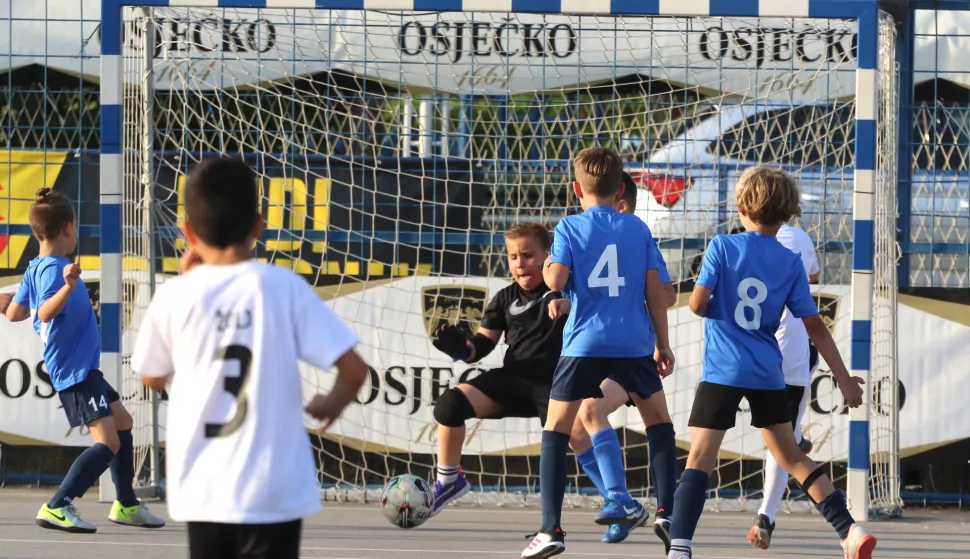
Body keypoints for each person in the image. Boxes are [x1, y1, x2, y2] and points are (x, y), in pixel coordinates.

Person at [130, 157, 369, 559]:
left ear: (187, 232)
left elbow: (151, 377)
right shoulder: (283, 287)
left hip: (204, 486)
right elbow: (354, 370)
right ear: (258, 226)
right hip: (272, 487)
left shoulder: (176, 295)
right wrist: (331, 402)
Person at [670, 166, 876, 559]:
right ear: (788, 213)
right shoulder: (789, 261)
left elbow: (697, 303)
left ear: (741, 205)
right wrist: (845, 378)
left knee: (700, 458)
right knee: (790, 455)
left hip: (723, 370)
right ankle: (849, 530)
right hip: (767, 371)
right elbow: (815, 326)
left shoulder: (722, 247)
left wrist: (722, 309)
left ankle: (679, 548)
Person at [523, 147, 675, 559]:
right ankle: (666, 512)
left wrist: (556, 279)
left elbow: (554, 278)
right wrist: (662, 343)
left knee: (556, 431)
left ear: (577, 189)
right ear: (620, 188)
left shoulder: (570, 226)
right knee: (659, 423)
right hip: (633, 343)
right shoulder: (637, 229)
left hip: (586, 343)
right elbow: (655, 293)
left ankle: (550, 529)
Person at [0, 188, 164, 533]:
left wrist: (7, 300)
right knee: (108, 442)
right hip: (74, 374)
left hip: (85, 370)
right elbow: (44, 312)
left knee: (123, 423)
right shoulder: (54, 272)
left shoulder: (36, 267)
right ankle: (58, 505)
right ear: (68, 229)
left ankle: (126, 505)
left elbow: (16, 313)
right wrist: (68, 287)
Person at [428, 222, 578, 517]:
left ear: (548, 256)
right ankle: (449, 481)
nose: (520, 263)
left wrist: (568, 304)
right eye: (512, 257)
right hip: (514, 382)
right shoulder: (504, 299)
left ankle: (616, 497)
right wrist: (461, 349)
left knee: (580, 437)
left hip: (556, 384)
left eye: (527, 255)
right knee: (449, 405)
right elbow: (481, 346)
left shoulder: (566, 289)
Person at [747, 222, 820, 549]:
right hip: (788, 357)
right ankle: (767, 515)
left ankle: (677, 531)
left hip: (746, 354)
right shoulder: (800, 239)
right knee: (784, 443)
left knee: (703, 446)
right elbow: (813, 280)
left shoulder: (735, 244)